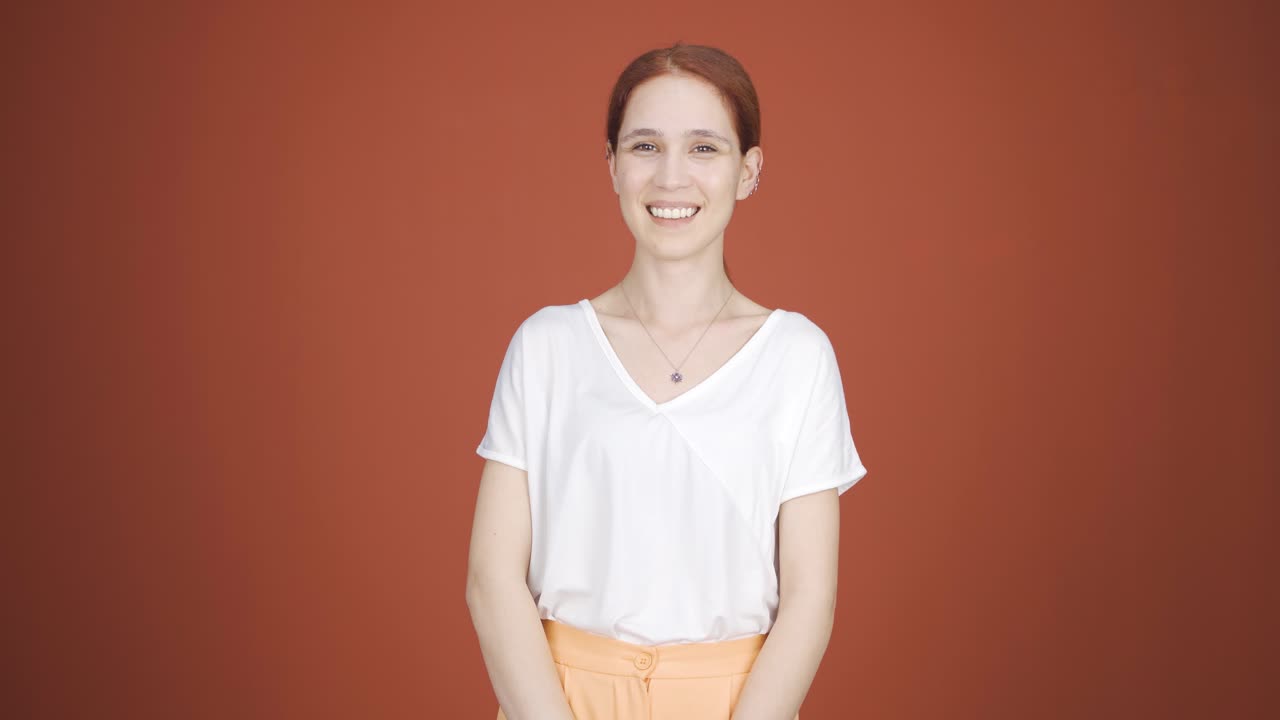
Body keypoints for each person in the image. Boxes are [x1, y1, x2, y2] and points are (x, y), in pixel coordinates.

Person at [466, 43, 868, 720]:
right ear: (612, 165)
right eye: (645, 146)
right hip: (556, 700)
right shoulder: (547, 347)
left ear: (748, 171)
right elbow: (491, 579)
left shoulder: (797, 357)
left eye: (704, 149)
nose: (671, 177)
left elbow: (809, 597)